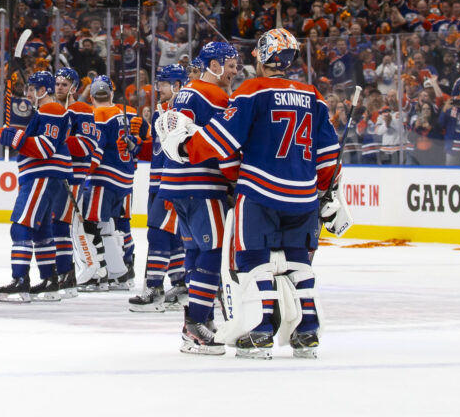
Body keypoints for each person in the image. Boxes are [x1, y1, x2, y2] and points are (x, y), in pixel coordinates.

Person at [189, 28, 342, 359]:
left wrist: (187, 145)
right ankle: (308, 330)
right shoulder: (312, 95)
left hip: (259, 191)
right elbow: (330, 154)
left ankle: (259, 332)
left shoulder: (252, 90)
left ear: (261, 54)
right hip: (303, 195)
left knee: (253, 260)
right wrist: (323, 191)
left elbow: (222, 141)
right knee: (299, 261)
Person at [158, 43, 239, 355]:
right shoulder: (216, 96)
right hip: (202, 182)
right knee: (213, 251)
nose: (234, 71)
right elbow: (225, 143)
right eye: (230, 65)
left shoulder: (185, 92)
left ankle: (197, 319)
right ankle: (197, 325)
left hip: (177, 183)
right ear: (214, 64)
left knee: (194, 250)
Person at [0, 70, 70, 302]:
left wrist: (15, 137)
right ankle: (49, 281)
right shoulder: (45, 111)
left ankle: (20, 281)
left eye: (31, 89)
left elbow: (45, 147)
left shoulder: (52, 109)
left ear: (42, 90)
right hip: (45, 177)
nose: (27, 94)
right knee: (40, 231)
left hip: (42, 176)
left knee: (20, 227)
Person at [127, 64, 188, 311]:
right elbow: (156, 150)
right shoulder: (159, 111)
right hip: (157, 181)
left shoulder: (183, 112)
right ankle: (181, 284)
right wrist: (136, 146)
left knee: (157, 233)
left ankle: (154, 286)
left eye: (162, 84)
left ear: (176, 86)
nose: (158, 88)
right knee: (171, 237)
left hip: (172, 182)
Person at [82, 75, 142, 292]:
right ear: (111, 94)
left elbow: (96, 149)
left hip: (104, 178)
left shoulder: (98, 114)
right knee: (116, 226)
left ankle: (99, 274)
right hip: (125, 179)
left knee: (91, 224)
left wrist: (82, 172)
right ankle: (124, 271)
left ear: (91, 96)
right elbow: (134, 147)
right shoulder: (124, 113)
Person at [55, 66, 102, 295]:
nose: (59, 88)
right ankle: (87, 268)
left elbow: (86, 144)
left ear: (74, 87)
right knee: (67, 225)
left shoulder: (81, 108)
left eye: (64, 84)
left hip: (75, 174)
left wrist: (59, 139)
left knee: (73, 226)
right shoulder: (55, 110)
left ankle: (90, 268)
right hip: (61, 173)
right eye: (57, 84)